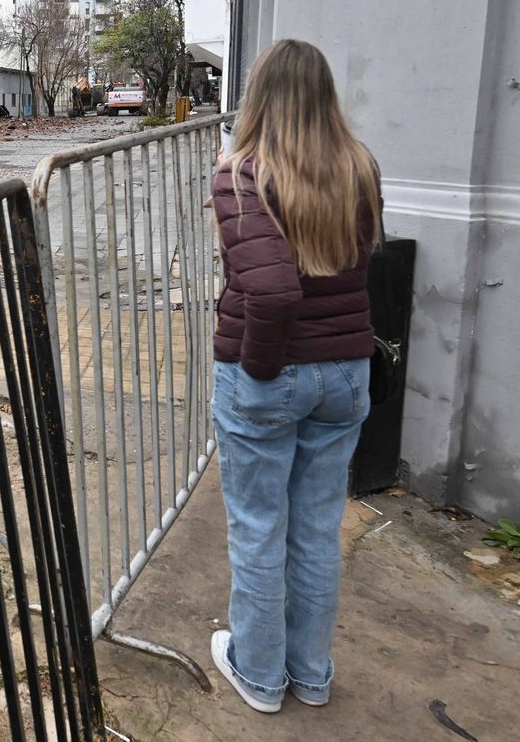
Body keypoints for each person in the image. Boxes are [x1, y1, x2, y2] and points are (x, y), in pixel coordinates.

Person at [209, 38, 383, 713]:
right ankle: (310, 676)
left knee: (258, 528)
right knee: (314, 529)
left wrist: (258, 371)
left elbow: (275, 293)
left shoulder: (241, 174)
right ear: (325, 98)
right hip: (345, 375)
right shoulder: (360, 168)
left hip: (272, 372)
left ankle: (259, 675)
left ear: (261, 99)